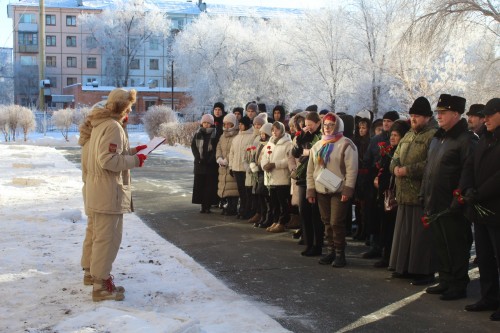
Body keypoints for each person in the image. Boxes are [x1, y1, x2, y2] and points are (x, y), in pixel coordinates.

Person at [85, 88, 147, 301]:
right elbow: (108, 161)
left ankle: (98, 280)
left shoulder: (101, 124)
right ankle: (101, 287)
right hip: (108, 193)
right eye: (129, 107)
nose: (130, 110)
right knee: (108, 240)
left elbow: (110, 154)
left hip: (100, 191)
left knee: (103, 238)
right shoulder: (113, 127)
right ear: (122, 107)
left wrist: (131, 152)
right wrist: (135, 161)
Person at [421, 94, 477, 301]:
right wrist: (423, 193)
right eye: (438, 112)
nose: (439, 116)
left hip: (452, 203)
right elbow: (429, 168)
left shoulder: (466, 139)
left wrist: (459, 197)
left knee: (456, 244)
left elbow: (468, 171)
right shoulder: (438, 137)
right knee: (441, 244)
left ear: (456, 113)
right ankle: (445, 279)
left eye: (443, 113)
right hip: (434, 200)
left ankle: (458, 283)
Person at [389, 97, 438, 285]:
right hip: (403, 193)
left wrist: (408, 170)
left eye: (417, 115)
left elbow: (430, 163)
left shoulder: (433, 135)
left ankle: (422, 271)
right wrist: (394, 168)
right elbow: (395, 156)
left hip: (419, 193)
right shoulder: (408, 134)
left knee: (420, 237)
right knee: (404, 234)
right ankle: (404, 267)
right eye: (412, 115)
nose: (413, 119)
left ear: (426, 117)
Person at [462, 98, 500, 320]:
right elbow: (469, 165)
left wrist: (480, 192)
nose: (485, 118)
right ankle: (489, 296)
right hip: (480, 207)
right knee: (484, 256)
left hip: (496, 207)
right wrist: (467, 187)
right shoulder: (484, 138)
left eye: (490, 114)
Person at [306, 112, 358, 267]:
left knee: (336, 222)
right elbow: (310, 170)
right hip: (321, 189)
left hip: (338, 190)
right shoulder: (318, 145)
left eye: (331, 125)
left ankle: (340, 253)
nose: (328, 128)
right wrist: (310, 190)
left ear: (338, 126)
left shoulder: (346, 144)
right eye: (325, 125)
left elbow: (352, 169)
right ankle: (331, 251)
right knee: (326, 222)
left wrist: (348, 190)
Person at [362, 111, 400, 258]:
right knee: (374, 216)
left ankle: (387, 251)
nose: (386, 124)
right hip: (375, 182)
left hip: (390, 184)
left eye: (389, 121)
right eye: (384, 120)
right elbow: (368, 159)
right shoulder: (375, 140)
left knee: (387, 219)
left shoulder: (399, 140)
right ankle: (375, 246)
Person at [373, 120, 410, 268]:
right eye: (391, 135)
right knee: (386, 226)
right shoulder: (389, 151)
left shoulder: (401, 152)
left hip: (396, 195)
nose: (392, 138)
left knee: (393, 228)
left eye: (396, 135)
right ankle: (385, 255)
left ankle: (391, 258)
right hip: (385, 194)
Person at [292, 111, 324, 256]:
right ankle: (308, 242)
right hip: (303, 176)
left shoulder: (321, 137)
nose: (308, 128)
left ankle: (318, 245)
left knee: (315, 213)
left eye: (310, 125)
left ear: (318, 123)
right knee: (304, 212)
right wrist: (299, 140)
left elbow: (318, 154)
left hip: (315, 176)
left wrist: (308, 152)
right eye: (306, 125)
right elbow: (295, 152)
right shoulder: (304, 135)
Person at [260, 121, 293, 233]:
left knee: (282, 202)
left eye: (277, 129)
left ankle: (282, 222)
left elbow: (289, 160)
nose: (274, 132)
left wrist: (275, 164)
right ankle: (275, 220)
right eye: (273, 130)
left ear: (282, 130)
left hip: (282, 178)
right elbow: (264, 156)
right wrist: (264, 165)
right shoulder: (270, 143)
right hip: (271, 177)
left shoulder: (288, 143)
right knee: (273, 202)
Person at [191, 114, 220, 213]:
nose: (206, 125)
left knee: (209, 187)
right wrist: (198, 158)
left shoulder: (215, 134)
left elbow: (216, 149)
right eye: (204, 122)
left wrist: (210, 160)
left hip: (210, 165)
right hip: (200, 164)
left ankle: (207, 206)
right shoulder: (198, 133)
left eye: (208, 123)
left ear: (211, 124)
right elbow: (193, 147)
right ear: (202, 123)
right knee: (200, 186)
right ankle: (202, 206)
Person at [229, 116, 255, 219]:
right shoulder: (236, 137)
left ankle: (248, 210)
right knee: (241, 190)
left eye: (242, 124)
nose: (239, 126)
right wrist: (231, 166)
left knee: (247, 191)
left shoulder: (252, 136)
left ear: (247, 125)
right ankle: (242, 209)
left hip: (246, 169)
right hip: (236, 168)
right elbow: (232, 153)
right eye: (239, 124)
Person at [251, 123, 274, 228]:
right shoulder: (260, 143)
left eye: (265, 133)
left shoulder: (270, 145)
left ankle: (268, 218)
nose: (263, 135)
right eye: (261, 133)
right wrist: (252, 163)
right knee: (260, 196)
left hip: (266, 173)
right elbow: (255, 155)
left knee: (265, 197)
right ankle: (262, 216)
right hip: (258, 172)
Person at [246, 113, 268, 224]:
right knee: (255, 193)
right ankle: (258, 213)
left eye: (259, 124)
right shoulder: (253, 136)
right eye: (255, 124)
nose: (257, 126)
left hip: (262, 170)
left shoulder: (264, 141)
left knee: (262, 194)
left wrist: (257, 165)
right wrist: (250, 163)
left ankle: (263, 215)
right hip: (253, 167)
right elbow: (251, 152)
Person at [352, 116, 371, 241]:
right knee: (358, 205)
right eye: (360, 128)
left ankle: (365, 230)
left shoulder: (370, 141)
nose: (361, 130)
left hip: (366, 176)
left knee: (364, 205)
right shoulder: (356, 142)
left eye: (364, 128)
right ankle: (359, 228)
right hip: (357, 174)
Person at [216, 113, 239, 216]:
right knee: (224, 187)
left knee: (233, 189)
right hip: (222, 166)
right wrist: (219, 158)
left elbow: (235, 150)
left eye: (229, 124)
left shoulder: (237, 135)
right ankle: (226, 206)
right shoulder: (222, 136)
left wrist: (227, 160)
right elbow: (218, 148)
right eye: (225, 124)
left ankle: (232, 207)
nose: (226, 126)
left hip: (230, 165)